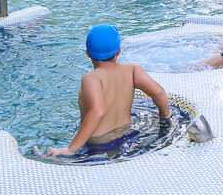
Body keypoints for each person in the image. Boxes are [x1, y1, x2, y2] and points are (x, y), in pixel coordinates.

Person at [44, 25, 172, 158]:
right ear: (118, 52)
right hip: (129, 137)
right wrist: (165, 115)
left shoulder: (91, 77)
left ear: (87, 53)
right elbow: (158, 92)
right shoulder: (132, 69)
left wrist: (70, 149)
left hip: (99, 145)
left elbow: (98, 111)